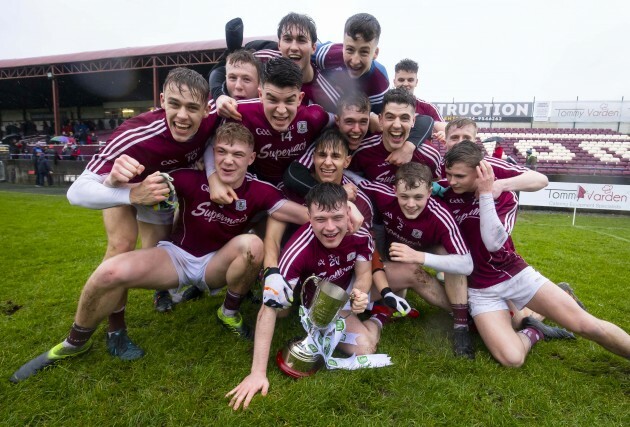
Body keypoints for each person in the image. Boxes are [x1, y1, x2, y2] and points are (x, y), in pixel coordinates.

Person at [9, 123, 310, 383]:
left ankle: (228, 313)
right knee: (110, 271)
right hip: (176, 258)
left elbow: (302, 215)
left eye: (238, 154)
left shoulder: (261, 191)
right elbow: (139, 183)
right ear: (212, 152)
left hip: (216, 265)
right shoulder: (190, 178)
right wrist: (113, 178)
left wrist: (342, 210)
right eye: (221, 152)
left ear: (252, 158)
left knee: (253, 246)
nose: (228, 161)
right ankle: (76, 341)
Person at [441, 140, 630, 367]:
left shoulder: (505, 196)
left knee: (586, 325)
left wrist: (486, 193)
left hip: (514, 275)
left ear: (482, 172)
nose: (452, 181)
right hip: (480, 289)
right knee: (511, 359)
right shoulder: (447, 193)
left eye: (459, 176)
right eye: (449, 174)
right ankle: (535, 331)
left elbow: (492, 242)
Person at [65, 68, 219, 328]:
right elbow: (76, 191)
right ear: (161, 101)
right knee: (121, 246)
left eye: (192, 107)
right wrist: (131, 192)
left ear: (206, 109)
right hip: (121, 187)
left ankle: (162, 291)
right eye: (174, 104)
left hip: (158, 192)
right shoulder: (135, 134)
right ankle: (116, 328)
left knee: (156, 251)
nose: (182, 116)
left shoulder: (216, 114)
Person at [227, 182, 377, 410]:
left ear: (348, 212)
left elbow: (364, 273)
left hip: (345, 295)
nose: (330, 228)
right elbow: (269, 307)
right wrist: (257, 373)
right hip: (316, 304)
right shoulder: (299, 249)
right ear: (308, 215)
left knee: (367, 346)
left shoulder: (360, 233)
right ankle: (378, 313)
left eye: (337, 217)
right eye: (320, 219)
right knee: (364, 347)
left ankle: (381, 314)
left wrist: (361, 292)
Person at [357, 163, 476, 357]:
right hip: (389, 257)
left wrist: (419, 257)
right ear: (394, 190)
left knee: (447, 253)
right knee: (410, 270)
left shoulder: (440, 214)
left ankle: (462, 323)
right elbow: (355, 181)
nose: (410, 204)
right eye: (404, 196)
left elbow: (466, 264)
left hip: (419, 251)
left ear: (430, 192)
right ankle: (471, 314)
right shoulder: (382, 193)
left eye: (418, 197)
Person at [350, 88, 441, 183]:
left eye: (404, 118)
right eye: (390, 117)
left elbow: (434, 187)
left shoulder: (430, 155)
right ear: (380, 120)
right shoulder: (362, 152)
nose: (397, 125)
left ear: (413, 121)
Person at [314, 13, 389, 114]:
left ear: (375, 53)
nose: (355, 61)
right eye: (350, 50)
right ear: (343, 47)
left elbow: (377, 122)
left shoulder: (380, 85)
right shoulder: (326, 55)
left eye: (364, 52)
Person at [392, 58, 446, 143]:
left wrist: (444, 133)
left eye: (410, 80)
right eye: (401, 80)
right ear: (394, 82)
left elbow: (444, 128)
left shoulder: (428, 107)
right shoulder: (382, 105)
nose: (405, 84)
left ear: (416, 82)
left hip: (420, 154)